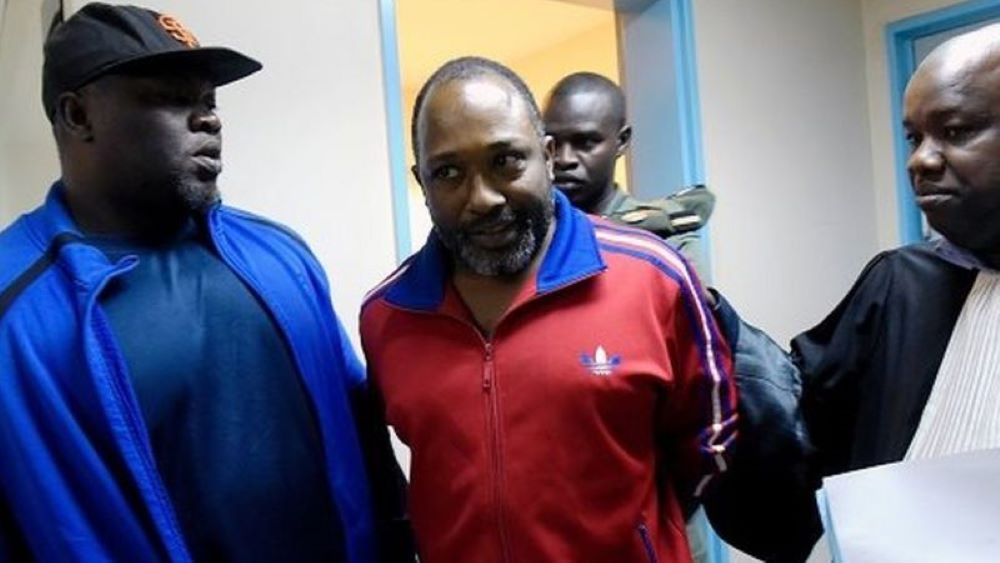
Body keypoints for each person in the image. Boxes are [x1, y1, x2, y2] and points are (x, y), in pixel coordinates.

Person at [0, 4, 410, 561]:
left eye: (209, 101)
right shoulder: (14, 308)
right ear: (78, 115)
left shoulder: (278, 253)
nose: (210, 121)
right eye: (172, 98)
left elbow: (359, 426)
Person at [361, 56, 737, 562]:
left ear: (546, 155)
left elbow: (707, 448)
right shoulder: (388, 315)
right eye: (448, 172)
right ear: (422, 181)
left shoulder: (654, 276)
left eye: (506, 161)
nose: (483, 198)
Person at [704, 23, 1000, 562]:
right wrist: (709, 322)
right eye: (914, 138)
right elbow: (793, 459)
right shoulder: (902, 289)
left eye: (955, 131)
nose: (921, 160)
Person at [543, 72, 715, 275]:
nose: (564, 159)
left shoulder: (665, 242)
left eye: (586, 143)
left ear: (622, 141)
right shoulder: (529, 237)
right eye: (552, 143)